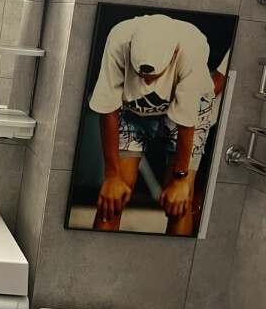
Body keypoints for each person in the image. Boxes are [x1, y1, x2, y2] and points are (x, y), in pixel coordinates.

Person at [89, 13, 215, 235]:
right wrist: (112, 177)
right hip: (132, 108)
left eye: (154, 77)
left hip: (185, 110)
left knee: (180, 201)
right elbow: (108, 108)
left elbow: (186, 122)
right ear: (130, 47)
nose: (147, 83)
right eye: (141, 75)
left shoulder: (192, 47)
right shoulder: (119, 40)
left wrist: (180, 180)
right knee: (113, 195)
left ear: (175, 52)